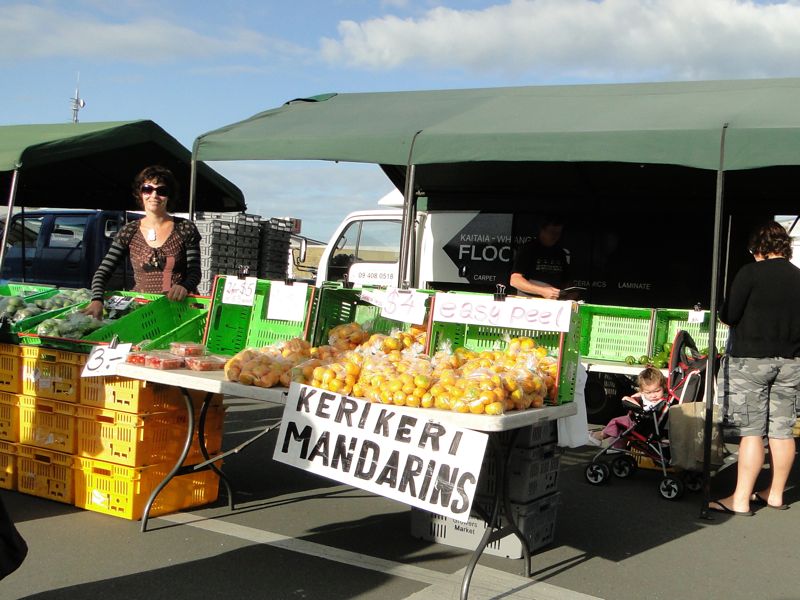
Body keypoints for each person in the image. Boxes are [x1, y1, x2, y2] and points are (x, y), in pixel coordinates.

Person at [709, 221, 800, 516]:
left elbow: (730, 314)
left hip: (750, 362)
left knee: (751, 433)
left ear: (759, 247)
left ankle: (740, 499)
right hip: (791, 362)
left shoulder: (750, 273)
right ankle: (774, 494)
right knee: (782, 431)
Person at [83, 165, 201, 320]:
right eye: (147, 189)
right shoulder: (129, 231)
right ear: (140, 193)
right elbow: (102, 272)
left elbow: (195, 272)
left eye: (161, 191)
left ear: (169, 196)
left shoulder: (185, 228)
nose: (154, 195)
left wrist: (184, 286)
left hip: (180, 309)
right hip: (143, 312)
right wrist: (97, 300)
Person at [587, 367, 668, 448]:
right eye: (648, 392)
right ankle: (617, 445)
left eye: (657, 391)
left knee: (617, 422)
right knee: (623, 427)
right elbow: (638, 395)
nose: (653, 395)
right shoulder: (644, 395)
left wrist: (633, 401)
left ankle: (600, 436)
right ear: (643, 391)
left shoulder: (661, 402)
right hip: (639, 422)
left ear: (663, 387)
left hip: (644, 427)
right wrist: (639, 395)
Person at [510, 214, 572, 299]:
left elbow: (565, 281)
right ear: (542, 230)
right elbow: (515, 280)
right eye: (552, 232)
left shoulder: (560, 252)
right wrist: (542, 291)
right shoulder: (528, 249)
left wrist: (570, 292)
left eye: (558, 233)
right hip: (530, 305)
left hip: (555, 305)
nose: (555, 236)